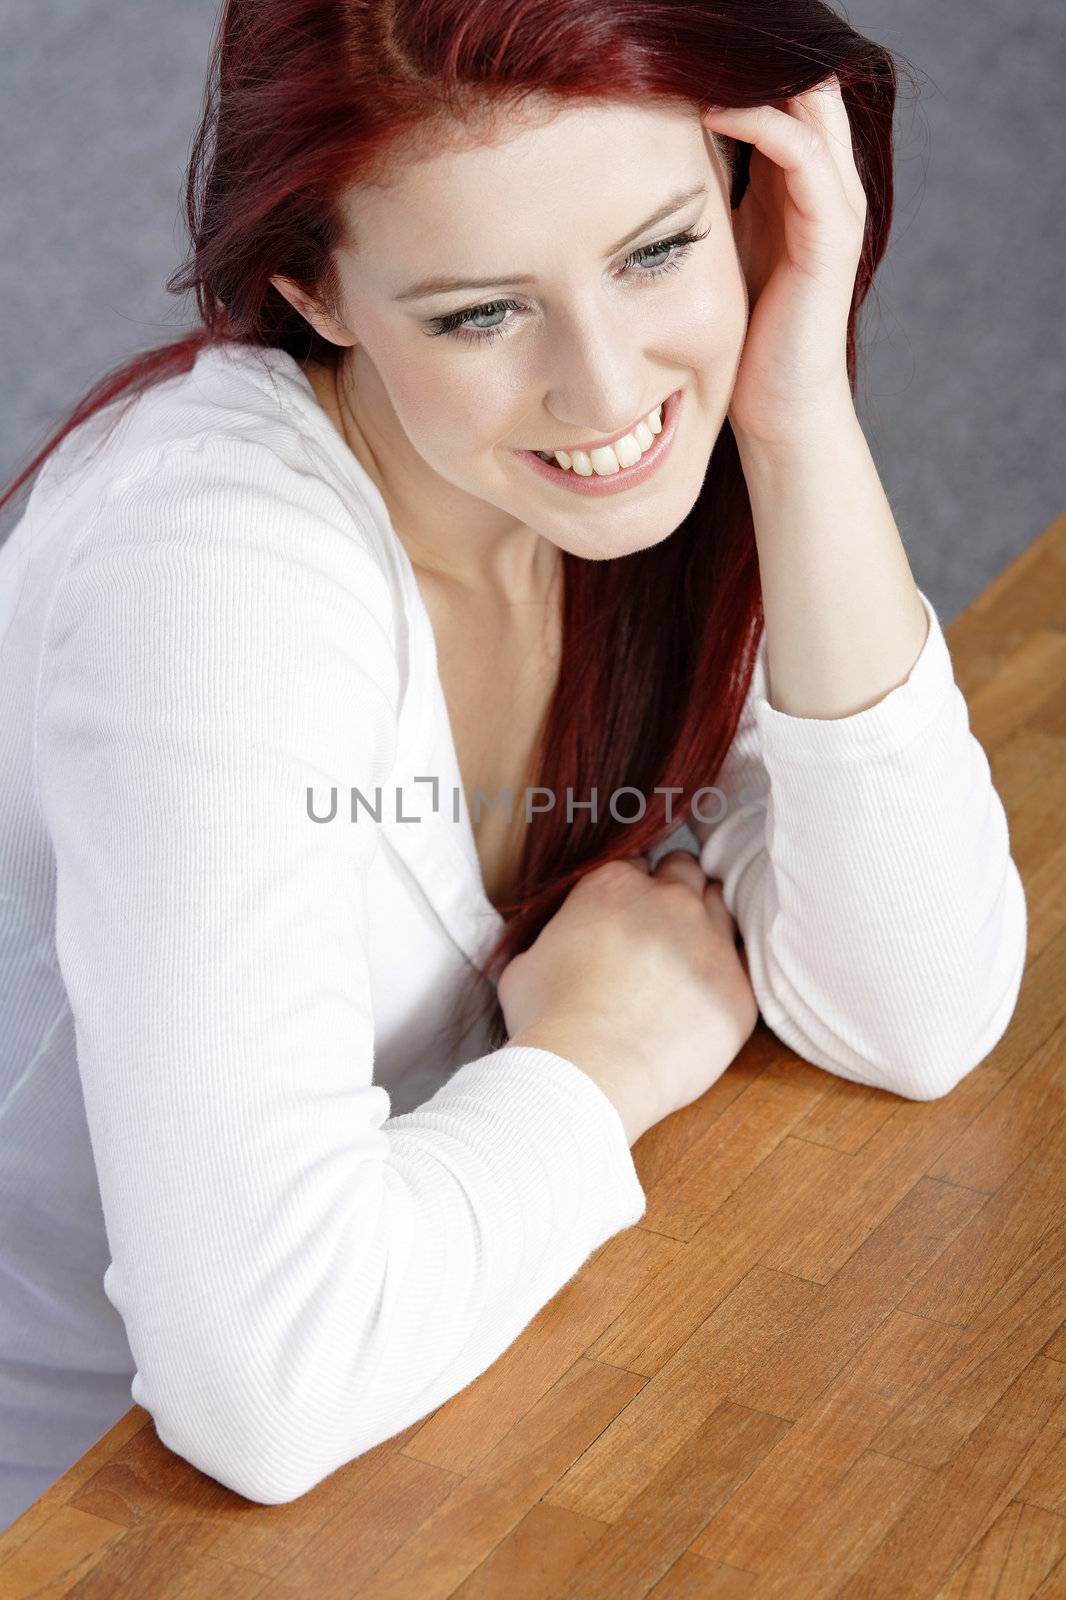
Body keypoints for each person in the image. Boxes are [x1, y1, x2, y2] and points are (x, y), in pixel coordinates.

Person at [0, 0, 1026, 1529]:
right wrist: (595, 1064)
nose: (608, 395)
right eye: (480, 315)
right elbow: (263, 1386)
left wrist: (796, 414)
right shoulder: (209, 575)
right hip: (93, 1519)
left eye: (657, 250)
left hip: (454, 1404)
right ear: (315, 290)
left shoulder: (662, 477)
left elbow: (914, 1008)